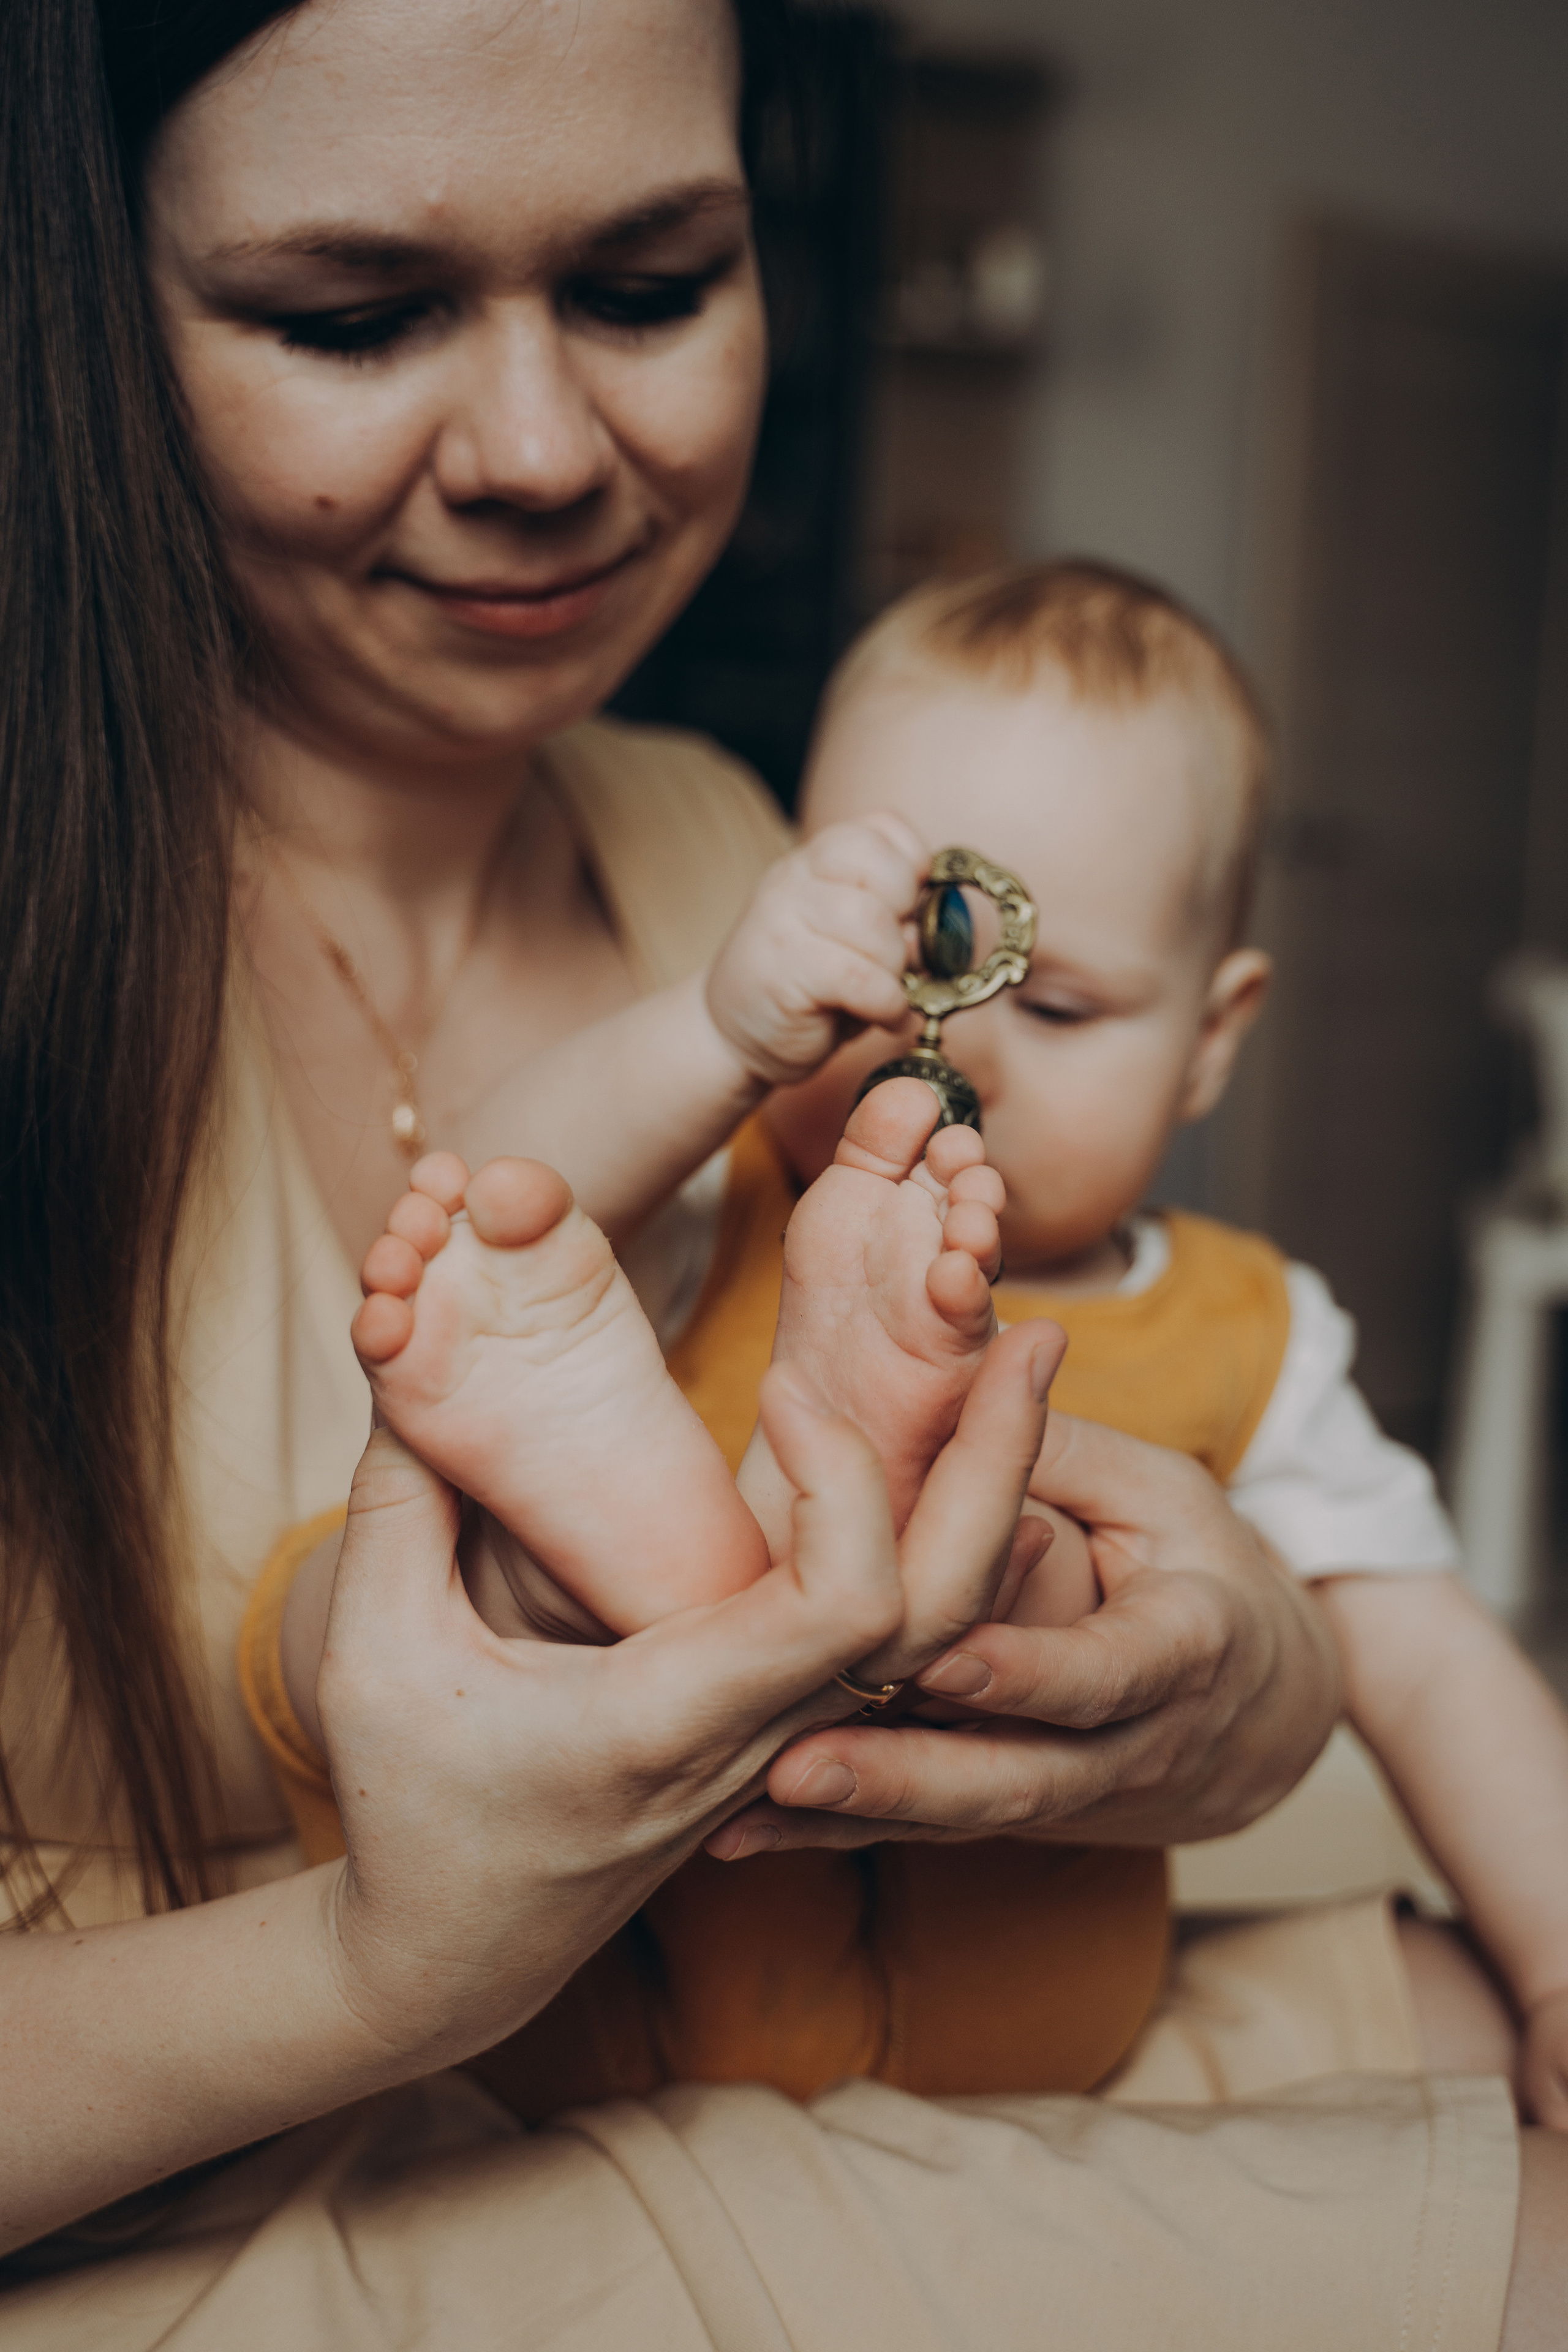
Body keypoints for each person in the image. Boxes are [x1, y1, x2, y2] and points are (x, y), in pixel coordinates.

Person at [0, 2, 1558, 2345]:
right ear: (79, 309)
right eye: (353, 313)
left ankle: (638, 1563)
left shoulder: (763, 857)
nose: (543, 449)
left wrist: (1247, 1692)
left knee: (1463, 2012)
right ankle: (567, 1569)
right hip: (222, 2125)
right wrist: (373, 1960)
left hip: (831, 1966)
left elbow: (1274, 1597)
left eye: (647, 286)